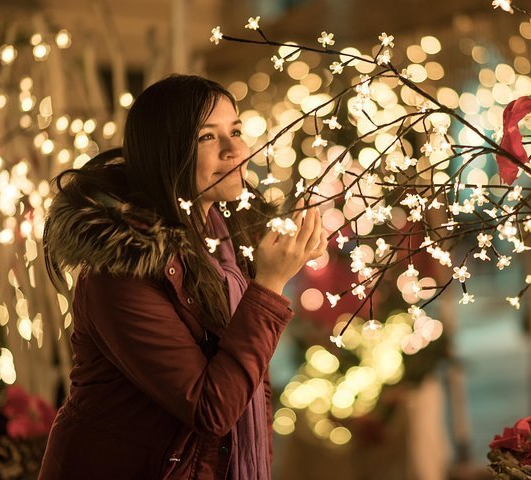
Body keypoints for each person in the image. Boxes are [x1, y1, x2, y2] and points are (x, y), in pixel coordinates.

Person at [39, 74, 326, 479]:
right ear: (165, 153)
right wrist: (270, 286)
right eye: (207, 137)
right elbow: (212, 408)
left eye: (236, 130)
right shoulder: (121, 269)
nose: (235, 149)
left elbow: (248, 385)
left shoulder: (227, 240)